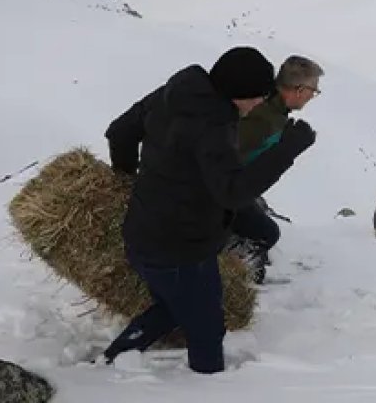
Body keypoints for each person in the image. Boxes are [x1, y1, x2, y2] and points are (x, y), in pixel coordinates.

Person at [100, 46, 316, 373]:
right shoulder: (213, 128)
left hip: (144, 232)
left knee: (174, 307)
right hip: (181, 249)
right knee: (206, 331)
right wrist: (289, 148)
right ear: (237, 92)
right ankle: (209, 387)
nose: (260, 103)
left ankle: (108, 361)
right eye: (256, 96)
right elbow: (233, 191)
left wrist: (130, 182)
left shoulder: (175, 93)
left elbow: (120, 132)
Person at [227, 55, 325, 283]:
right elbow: (242, 164)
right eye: (313, 90)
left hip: (223, 184)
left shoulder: (268, 108)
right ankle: (238, 272)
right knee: (267, 233)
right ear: (298, 90)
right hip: (219, 191)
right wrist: (287, 148)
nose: (313, 95)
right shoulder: (265, 120)